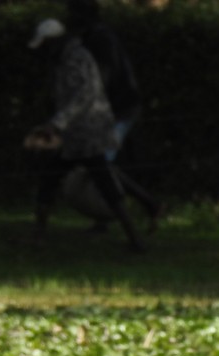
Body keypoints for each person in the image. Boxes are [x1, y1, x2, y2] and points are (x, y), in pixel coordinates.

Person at [26, 18, 146, 251]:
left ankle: (135, 238)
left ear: (54, 41)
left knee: (103, 182)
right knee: (54, 179)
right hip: (74, 135)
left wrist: (56, 124)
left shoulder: (77, 59)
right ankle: (134, 237)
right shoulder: (63, 60)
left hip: (88, 133)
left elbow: (84, 95)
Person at [64, 0, 163, 228]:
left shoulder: (99, 38)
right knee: (99, 164)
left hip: (119, 109)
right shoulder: (95, 36)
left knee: (101, 164)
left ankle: (148, 205)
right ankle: (112, 214)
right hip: (115, 107)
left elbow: (105, 76)